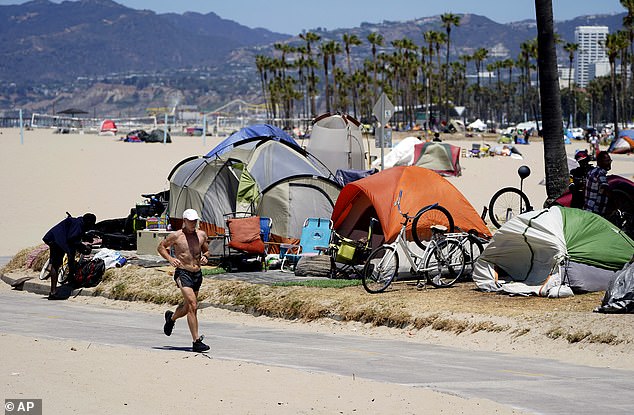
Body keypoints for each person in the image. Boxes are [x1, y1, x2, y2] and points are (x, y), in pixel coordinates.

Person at [158, 208, 211, 353]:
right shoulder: (176, 236)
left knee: (188, 307)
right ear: (184, 221)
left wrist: (206, 256)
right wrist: (170, 259)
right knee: (193, 305)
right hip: (183, 273)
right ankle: (196, 341)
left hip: (197, 273)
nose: (193, 224)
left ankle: (172, 318)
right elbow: (161, 247)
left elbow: (206, 250)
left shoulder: (201, 235)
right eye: (190, 221)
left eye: (195, 221)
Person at [42, 213, 97, 300]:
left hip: (54, 238)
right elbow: (72, 239)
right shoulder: (79, 225)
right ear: (88, 223)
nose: (90, 227)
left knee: (68, 257)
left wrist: (85, 237)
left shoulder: (79, 222)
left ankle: (69, 280)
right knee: (56, 265)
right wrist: (83, 247)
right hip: (57, 241)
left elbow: (75, 234)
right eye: (91, 225)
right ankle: (53, 292)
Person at [583, 151, 612, 216]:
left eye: (610, 160)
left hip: (588, 207)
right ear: (599, 162)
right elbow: (606, 189)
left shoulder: (591, 171)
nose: (609, 163)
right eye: (607, 161)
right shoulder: (600, 174)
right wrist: (615, 202)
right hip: (596, 210)